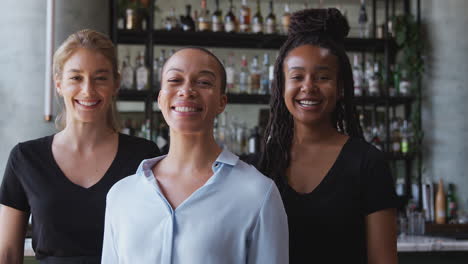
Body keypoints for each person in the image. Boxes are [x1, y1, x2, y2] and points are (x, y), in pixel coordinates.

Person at [101, 47, 288, 264]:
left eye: (204, 82)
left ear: (222, 102)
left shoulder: (257, 193)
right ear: (161, 99)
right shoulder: (122, 194)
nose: (187, 90)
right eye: (175, 80)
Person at [0, 29, 160, 264]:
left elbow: (157, 243)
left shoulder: (144, 156)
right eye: (76, 77)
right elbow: (7, 253)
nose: (88, 90)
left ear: (116, 84)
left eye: (100, 78)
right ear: (58, 84)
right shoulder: (25, 158)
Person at [256, 8, 398, 264]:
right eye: (297, 76)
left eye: (323, 77)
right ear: (281, 86)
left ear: (341, 87)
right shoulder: (263, 163)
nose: (308, 86)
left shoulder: (368, 163)